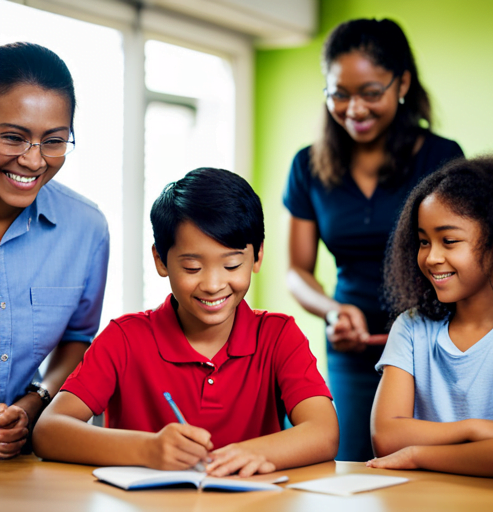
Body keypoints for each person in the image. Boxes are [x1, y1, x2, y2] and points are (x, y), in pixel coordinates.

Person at [33, 168, 339, 476]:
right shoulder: (124, 338)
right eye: (192, 268)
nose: (213, 284)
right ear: (161, 260)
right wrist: (147, 450)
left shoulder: (278, 335)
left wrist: (252, 452)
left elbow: (324, 432)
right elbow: (48, 431)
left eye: (231, 264)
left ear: (257, 256)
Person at [283, 18, 463, 461]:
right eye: (339, 94)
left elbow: (465, 258)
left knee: (425, 465)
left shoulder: (442, 157)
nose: (354, 109)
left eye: (370, 93)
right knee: (349, 463)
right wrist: (333, 312)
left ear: (401, 82)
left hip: (431, 339)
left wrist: (420, 320)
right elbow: (297, 270)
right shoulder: (308, 166)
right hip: (351, 347)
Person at [367, 156, 493, 478]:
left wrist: (419, 455)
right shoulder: (412, 327)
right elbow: (386, 437)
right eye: (423, 242)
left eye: (449, 241)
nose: (431, 257)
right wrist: (475, 430)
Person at [0, 42, 109, 459]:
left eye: (54, 141)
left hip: (21, 461)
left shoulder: (86, 229)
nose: (33, 160)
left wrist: (34, 403)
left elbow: (78, 340)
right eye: (13, 137)